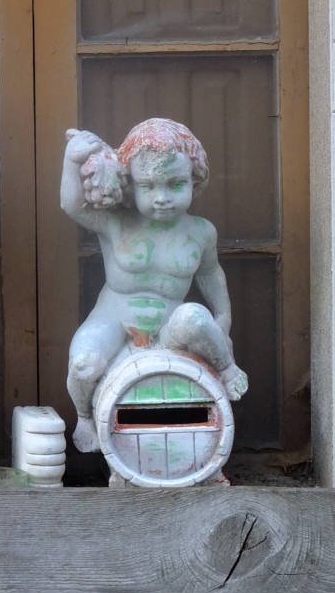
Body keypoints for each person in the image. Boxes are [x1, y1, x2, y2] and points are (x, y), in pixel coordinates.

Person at [61, 118, 248, 453]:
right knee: (84, 363)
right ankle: (84, 415)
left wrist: (223, 324)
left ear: (195, 178)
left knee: (195, 317)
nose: (162, 198)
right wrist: (72, 160)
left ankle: (227, 367)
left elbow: (211, 275)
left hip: (168, 323)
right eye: (148, 186)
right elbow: (72, 206)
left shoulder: (201, 231)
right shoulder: (116, 221)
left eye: (175, 184)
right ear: (130, 184)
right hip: (115, 316)